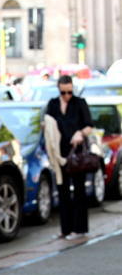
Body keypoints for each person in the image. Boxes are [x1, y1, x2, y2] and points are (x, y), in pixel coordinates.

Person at [45, 75, 94, 239]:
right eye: (64, 92)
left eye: (70, 92)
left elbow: (89, 126)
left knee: (79, 190)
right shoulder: (53, 104)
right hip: (59, 154)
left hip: (76, 154)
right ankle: (65, 228)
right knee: (62, 190)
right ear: (59, 89)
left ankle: (79, 228)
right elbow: (47, 122)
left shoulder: (79, 103)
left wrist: (80, 133)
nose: (67, 95)